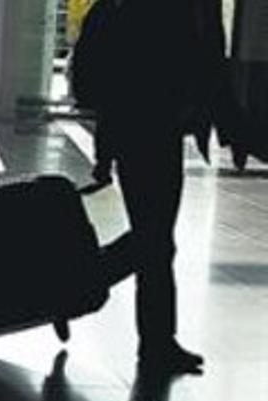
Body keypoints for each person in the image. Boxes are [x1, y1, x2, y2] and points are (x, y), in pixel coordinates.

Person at [95, 0, 224, 375]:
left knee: (155, 242)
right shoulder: (162, 10)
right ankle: (93, 278)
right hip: (149, 136)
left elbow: (114, 83)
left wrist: (105, 153)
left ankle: (157, 342)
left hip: (147, 134)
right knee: (154, 242)